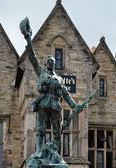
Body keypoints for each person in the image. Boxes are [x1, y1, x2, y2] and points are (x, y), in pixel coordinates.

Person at [20, 17, 85, 159]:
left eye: (52, 61)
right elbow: (32, 57)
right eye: (48, 61)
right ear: (45, 63)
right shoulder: (41, 72)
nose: (50, 63)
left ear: (54, 64)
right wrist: (28, 39)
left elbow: (66, 95)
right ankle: (38, 152)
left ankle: (55, 153)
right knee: (40, 129)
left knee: (57, 130)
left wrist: (74, 106)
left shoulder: (59, 79)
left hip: (55, 106)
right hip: (43, 103)